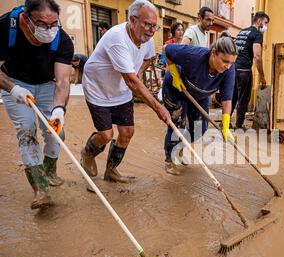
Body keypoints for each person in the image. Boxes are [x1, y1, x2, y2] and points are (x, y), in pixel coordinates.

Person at [80, 0, 170, 184]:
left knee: (127, 132)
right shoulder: (117, 39)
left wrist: (140, 70)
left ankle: (111, 171)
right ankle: (87, 153)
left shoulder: (148, 40)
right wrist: (158, 107)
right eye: (147, 24)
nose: (151, 30)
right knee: (106, 135)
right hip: (99, 88)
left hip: (121, 89)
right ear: (132, 20)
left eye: (155, 26)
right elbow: (132, 83)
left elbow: (148, 57)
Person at [0, 0, 74, 209]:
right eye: (42, 24)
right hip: (14, 84)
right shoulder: (5, 28)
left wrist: (59, 109)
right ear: (25, 19)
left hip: (48, 86)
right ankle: (40, 190)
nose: (48, 30)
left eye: (53, 24)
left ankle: (50, 170)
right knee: (26, 131)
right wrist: (12, 88)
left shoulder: (62, 40)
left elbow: (63, 81)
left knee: (56, 132)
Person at [162, 33, 237, 175]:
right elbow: (166, 49)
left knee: (199, 129)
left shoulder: (229, 70)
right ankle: (169, 160)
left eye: (231, 63)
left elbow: (227, 99)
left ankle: (178, 148)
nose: (227, 66)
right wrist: (174, 74)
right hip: (177, 88)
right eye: (225, 61)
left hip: (200, 94)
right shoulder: (194, 55)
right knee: (178, 126)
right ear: (213, 53)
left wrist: (225, 125)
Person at [231, 11, 270, 129]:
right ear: (259, 21)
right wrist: (262, 76)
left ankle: (226, 123)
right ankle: (238, 125)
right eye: (265, 23)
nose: (266, 26)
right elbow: (257, 56)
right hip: (244, 71)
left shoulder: (242, 32)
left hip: (233, 69)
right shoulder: (257, 34)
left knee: (231, 97)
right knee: (243, 99)